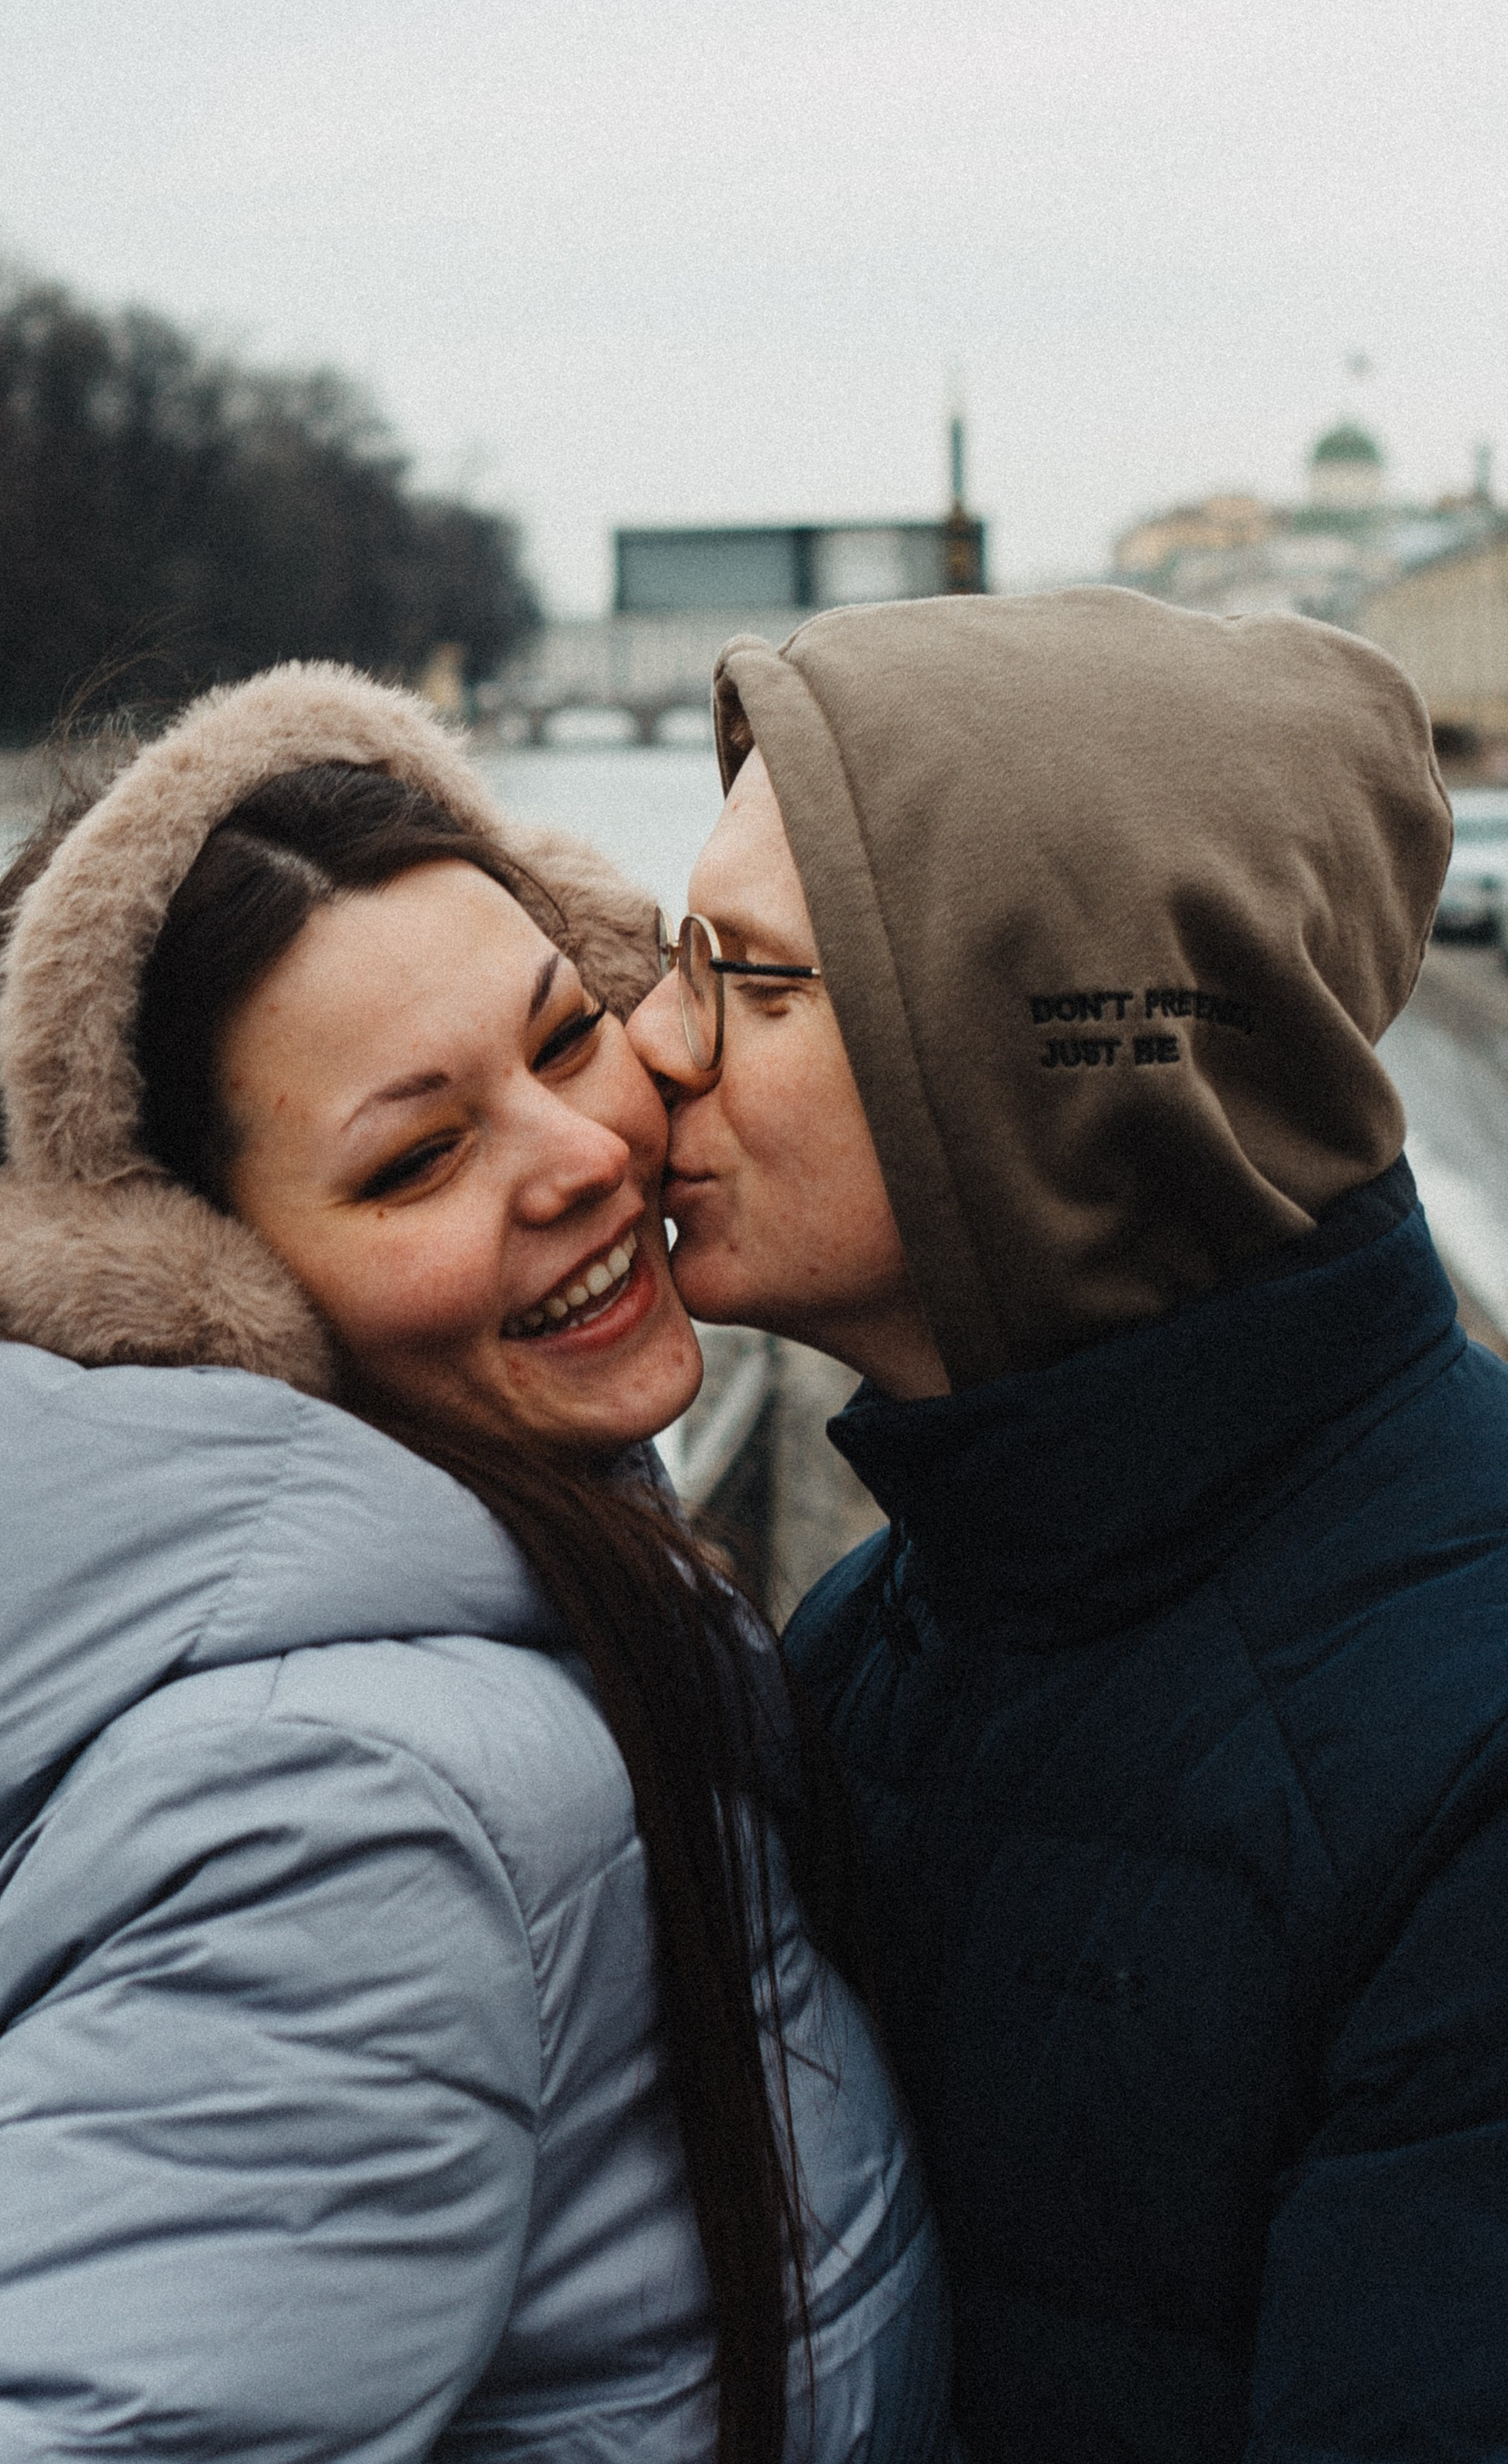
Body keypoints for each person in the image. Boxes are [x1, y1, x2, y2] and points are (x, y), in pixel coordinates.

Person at [0, 664, 952, 2464]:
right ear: (206, 1302)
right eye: (414, 1158)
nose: (585, 1156)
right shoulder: (350, 1825)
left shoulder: (503, 1649)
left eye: (563, 1038)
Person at [626, 586, 1508, 2464]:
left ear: (1044, 1063)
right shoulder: (882, 1630)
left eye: (754, 979)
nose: (651, 1047)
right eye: (669, 953)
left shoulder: (1467, 1750)